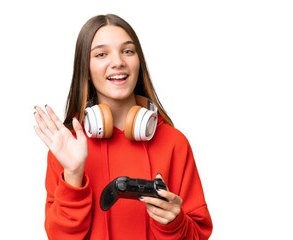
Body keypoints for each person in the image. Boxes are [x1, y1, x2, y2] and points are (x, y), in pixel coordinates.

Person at [33, 14, 212, 240]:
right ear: (85, 70)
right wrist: (73, 174)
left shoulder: (174, 143)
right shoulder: (66, 147)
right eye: (101, 54)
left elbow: (198, 235)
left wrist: (174, 222)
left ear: (139, 62)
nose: (118, 62)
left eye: (128, 51)